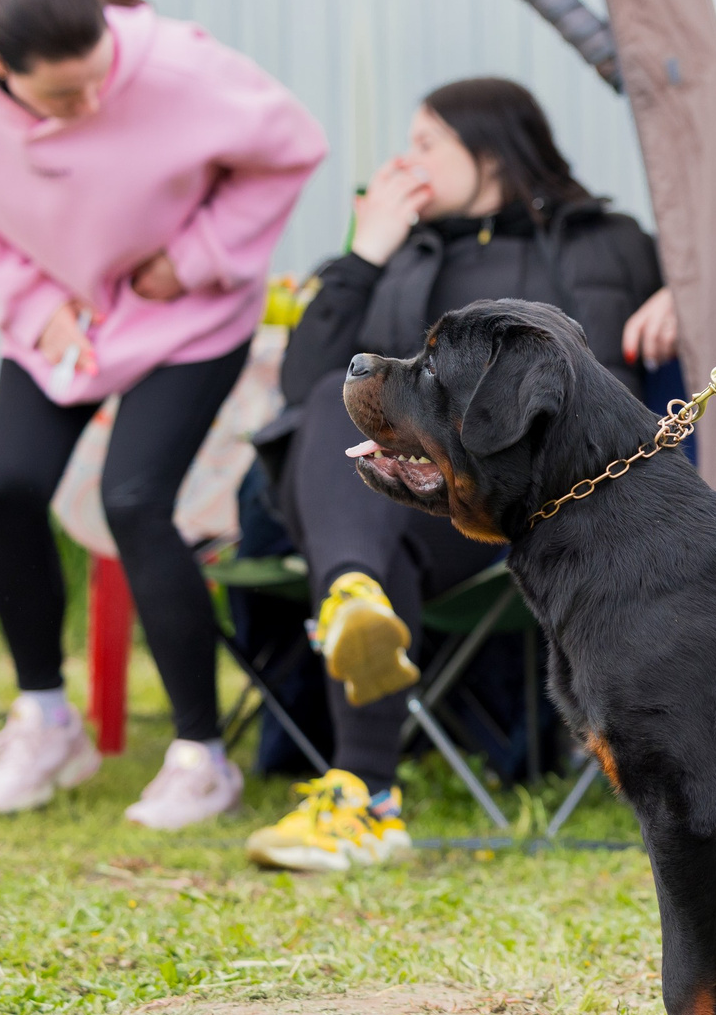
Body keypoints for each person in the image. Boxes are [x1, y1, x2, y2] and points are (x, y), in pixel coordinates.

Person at [0, 0, 325, 823]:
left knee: (134, 500)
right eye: (62, 97)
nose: (89, 105)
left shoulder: (176, 62)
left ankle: (202, 757)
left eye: (98, 80)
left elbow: (291, 147)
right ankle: (47, 721)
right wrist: (30, 297)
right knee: (8, 485)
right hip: (63, 315)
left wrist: (192, 260)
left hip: (185, 315)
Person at [241, 76, 677, 872]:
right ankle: (355, 618)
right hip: (421, 506)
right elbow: (305, 378)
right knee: (333, 427)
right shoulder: (404, 245)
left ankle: (365, 781)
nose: (404, 163)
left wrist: (681, 296)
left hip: (559, 507)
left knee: (363, 508)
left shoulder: (609, 242)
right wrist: (365, 251)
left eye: (426, 144)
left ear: (490, 152)